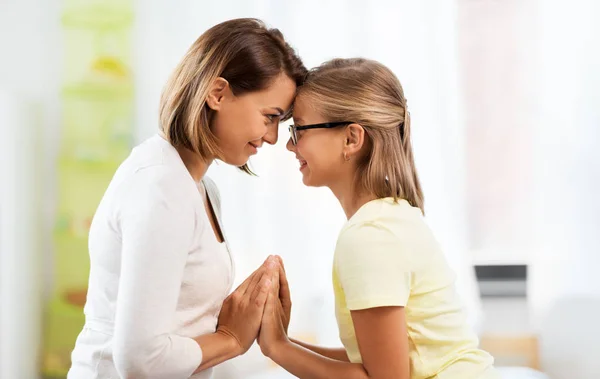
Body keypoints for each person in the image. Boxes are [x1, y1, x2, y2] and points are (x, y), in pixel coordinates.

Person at [67, 18, 307, 379]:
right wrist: (230, 338)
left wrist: (251, 320)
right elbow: (140, 359)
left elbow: (182, 327)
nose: (272, 137)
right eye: (269, 117)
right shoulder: (161, 188)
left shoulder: (199, 187)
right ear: (217, 93)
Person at [257, 58, 499, 379]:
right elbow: (375, 360)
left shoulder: (370, 235)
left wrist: (277, 347)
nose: (289, 144)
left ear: (351, 139)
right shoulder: (390, 216)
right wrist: (282, 342)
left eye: (299, 129)